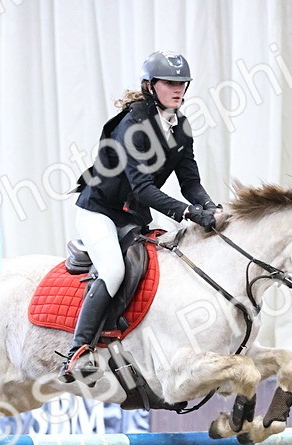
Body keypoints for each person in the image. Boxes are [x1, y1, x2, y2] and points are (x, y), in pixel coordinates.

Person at [59, 50, 222, 383]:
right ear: (150, 86)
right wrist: (188, 213)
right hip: (98, 212)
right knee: (115, 269)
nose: (178, 89)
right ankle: (79, 351)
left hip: (130, 216)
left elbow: (190, 182)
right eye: (170, 83)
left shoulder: (180, 127)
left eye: (182, 83)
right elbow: (144, 189)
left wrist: (210, 206)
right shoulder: (133, 125)